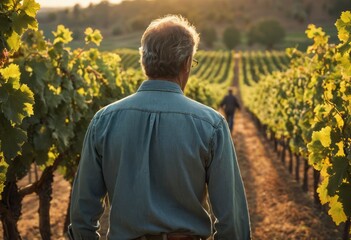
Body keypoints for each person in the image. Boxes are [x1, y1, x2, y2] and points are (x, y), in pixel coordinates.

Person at [68, 15, 251, 240]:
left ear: (144, 62)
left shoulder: (103, 121)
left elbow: (81, 216)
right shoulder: (211, 125)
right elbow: (232, 223)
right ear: (186, 64)